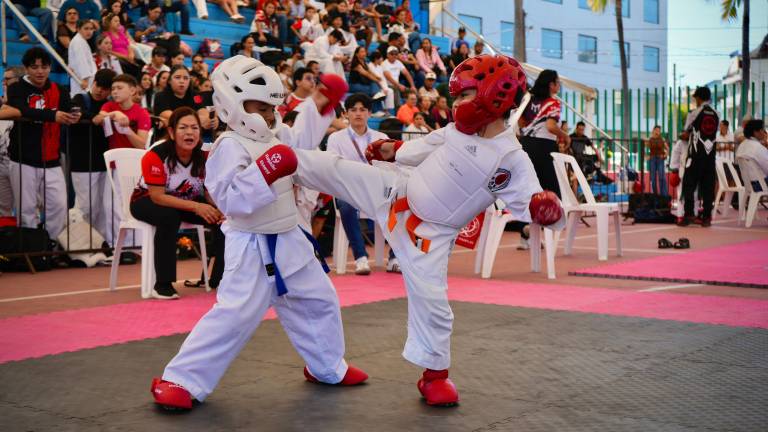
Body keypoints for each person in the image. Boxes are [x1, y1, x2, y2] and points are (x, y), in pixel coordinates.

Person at [292, 54, 564, 407]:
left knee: (433, 303)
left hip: (430, 238)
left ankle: (434, 376)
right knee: (339, 169)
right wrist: (391, 150)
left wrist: (547, 210)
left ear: (492, 96)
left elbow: (530, 202)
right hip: (397, 195)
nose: (456, 106)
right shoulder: (454, 131)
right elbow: (417, 149)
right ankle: (278, 162)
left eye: (464, 96)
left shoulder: (510, 158)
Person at [150, 56, 368, 410]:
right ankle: (181, 379)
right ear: (232, 105)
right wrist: (265, 170)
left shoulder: (277, 133)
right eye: (261, 107)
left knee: (320, 300)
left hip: (290, 237)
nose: (269, 114)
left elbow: (301, 141)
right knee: (235, 315)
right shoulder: (228, 146)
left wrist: (323, 102)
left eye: (272, 106)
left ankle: (327, 366)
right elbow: (231, 201)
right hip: (251, 244)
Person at [130, 107, 225, 299]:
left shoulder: (205, 156)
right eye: (183, 128)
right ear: (172, 132)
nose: (189, 132)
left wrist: (221, 209)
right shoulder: (155, 155)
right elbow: (157, 196)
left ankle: (220, 279)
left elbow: (207, 192)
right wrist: (197, 206)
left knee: (222, 220)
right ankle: (163, 284)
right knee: (169, 217)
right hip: (146, 200)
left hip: (186, 200)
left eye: (194, 128)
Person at [8, 48, 80, 240]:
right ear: (26, 69)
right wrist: (52, 115)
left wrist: (76, 114)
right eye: (34, 67)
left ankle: (51, 246)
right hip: (23, 159)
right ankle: (30, 251)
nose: (40, 71)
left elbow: (70, 107)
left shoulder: (59, 89)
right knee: (26, 210)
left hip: (52, 159)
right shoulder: (15, 88)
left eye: (44, 67)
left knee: (59, 205)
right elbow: (21, 110)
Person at [326, 94, 396, 274]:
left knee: (400, 204)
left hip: (376, 190)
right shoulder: (336, 138)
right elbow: (333, 167)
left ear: (370, 113)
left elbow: (389, 167)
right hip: (348, 190)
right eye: (353, 110)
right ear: (346, 114)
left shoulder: (381, 137)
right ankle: (360, 257)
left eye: (363, 110)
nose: (358, 113)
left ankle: (395, 258)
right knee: (346, 206)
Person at [67, 69, 116, 249]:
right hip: (82, 162)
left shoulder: (110, 106)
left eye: (105, 89)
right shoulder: (80, 99)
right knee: (84, 207)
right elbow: (73, 112)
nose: (99, 91)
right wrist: (92, 117)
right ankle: (77, 246)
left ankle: (99, 245)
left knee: (102, 208)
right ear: (93, 82)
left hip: (103, 162)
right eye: (97, 85)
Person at [678, 86, 719, 227]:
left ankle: (689, 215)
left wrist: (682, 135)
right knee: (708, 186)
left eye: (695, 98)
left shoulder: (694, 113)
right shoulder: (716, 113)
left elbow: (686, 132)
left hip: (695, 155)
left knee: (689, 185)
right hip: (710, 156)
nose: (695, 100)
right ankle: (706, 217)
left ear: (699, 98)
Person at [153, 66, 217, 136]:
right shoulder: (160, 96)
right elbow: (171, 117)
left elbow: (202, 111)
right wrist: (199, 121)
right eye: (177, 77)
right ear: (169, 81)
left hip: (193, 136)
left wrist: (210, 120)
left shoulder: (196, 95)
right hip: (168, 136)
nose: (182, 81)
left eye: (186, 78)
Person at [0, 67, 24, 222]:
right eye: (3, 80)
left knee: (27, 207)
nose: (4, 83)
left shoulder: (24, 104)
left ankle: (29, 244)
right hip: (1, 165)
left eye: (7, 79)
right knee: (3, 208)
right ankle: (7, 242)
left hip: (21, 164)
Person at [348, 46, 385, 115]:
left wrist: (377, 77)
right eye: (362, 52)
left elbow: (370, 71)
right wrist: (376, 80)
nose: (364, 53)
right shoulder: (356, 64)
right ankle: (376, 111)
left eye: (364, 51)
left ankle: (379, 110)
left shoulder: (364, 62)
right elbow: (366, 74)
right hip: (354, 85)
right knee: (374, 91)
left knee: (376, 93)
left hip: (363, 84)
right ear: (356, 54)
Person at [68, 19, 98, 98]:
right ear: (78, 29)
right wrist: (85, 79)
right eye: (86, 28)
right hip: (82, 81)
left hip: (86, 79)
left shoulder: (81, 41)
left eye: (91, 29)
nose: (89, 31)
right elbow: (81, 61)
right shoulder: (78, 42)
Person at [645, 125, 668, 196]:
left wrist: (665, 155)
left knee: (662, 177)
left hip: (660, 158)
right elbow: (644, 147)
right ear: (653, 130)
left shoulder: (662, 139)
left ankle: (663, 195)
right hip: (652, 158)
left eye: (659, 130)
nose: (658, 132)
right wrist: (646, 156)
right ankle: (655, 195)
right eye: (657, 130)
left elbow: (667, 148)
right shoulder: (650, 139)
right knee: (653, 178)